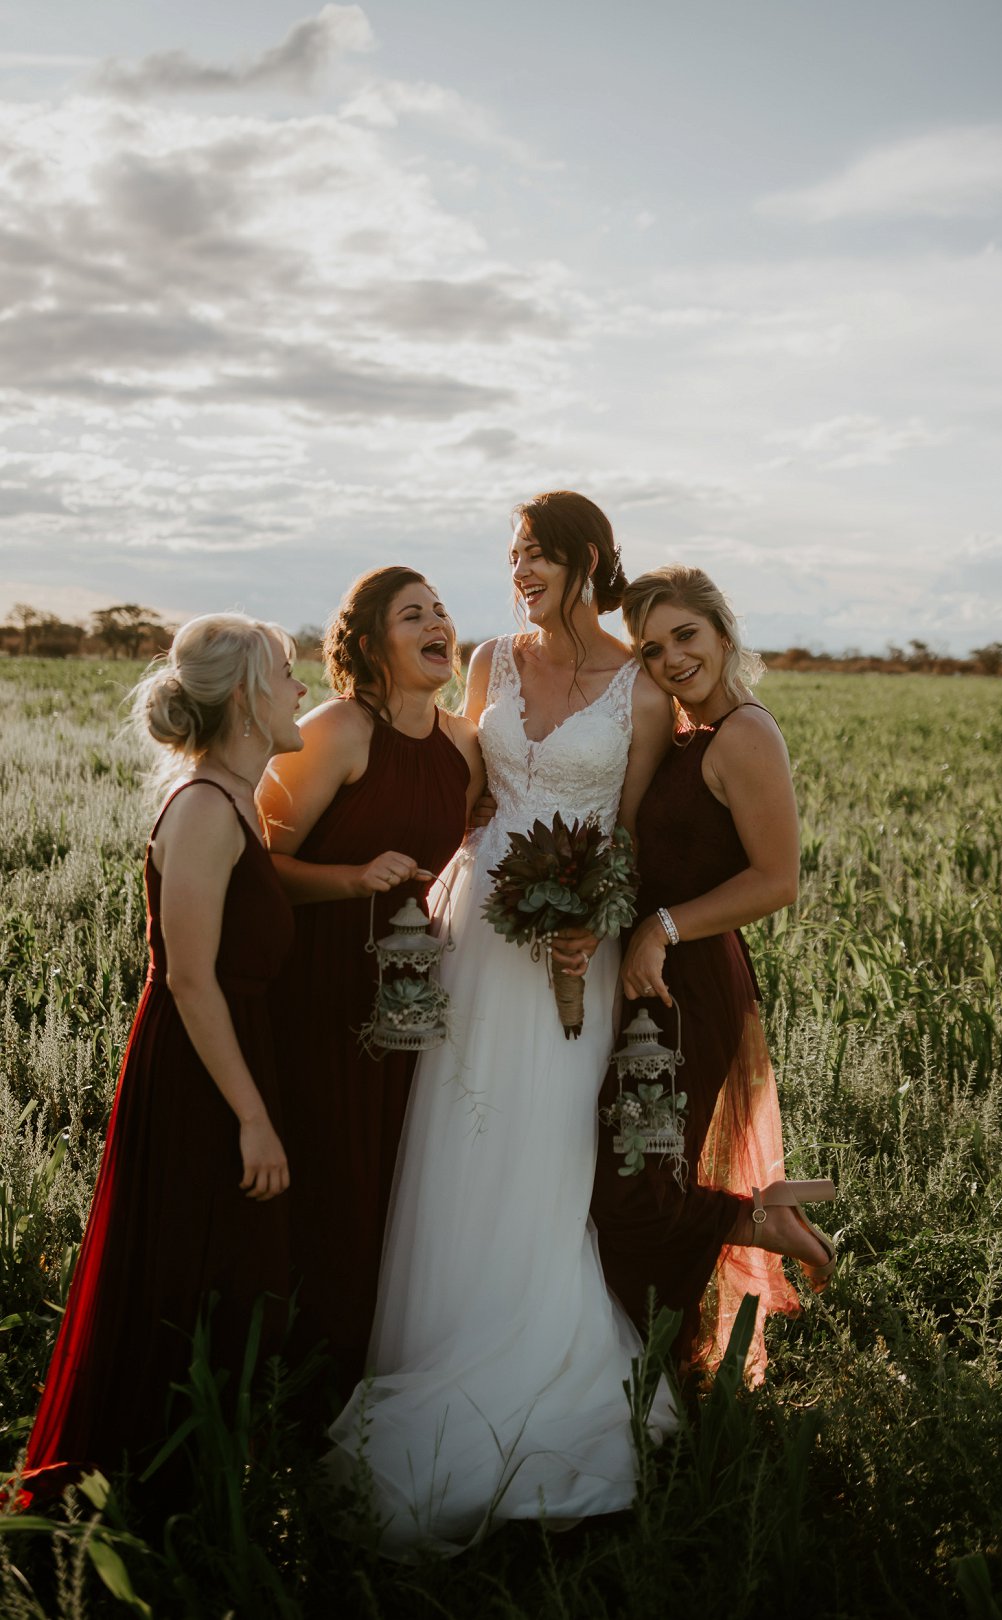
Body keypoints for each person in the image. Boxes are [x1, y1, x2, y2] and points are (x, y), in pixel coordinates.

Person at [326, 491, 676, 1557]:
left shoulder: (642, 692)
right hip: (479, 926)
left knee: (547, 1147)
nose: (519, 571)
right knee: (459, 1133)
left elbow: (627, 842)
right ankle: (440, 1338)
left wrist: (597, 925)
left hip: (577, 947)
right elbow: (463, 792)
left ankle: (543, 1352)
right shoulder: (488, 664)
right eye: (513, 555)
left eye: (538, 556)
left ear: (588, 560)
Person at [17, 614, 306, 1503]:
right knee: (180, 1271)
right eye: (290, 674)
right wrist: (251, 1116)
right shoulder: (203, 811)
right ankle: (133, 1496)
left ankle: (194, 1488)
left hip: (227, 1056)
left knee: (222, 1272)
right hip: (195, 1074)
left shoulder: (239, 802)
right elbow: (187, 978)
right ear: (251, 698)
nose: (304, 691)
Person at [590, 565, 836, 1381]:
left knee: (635, 1186)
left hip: (688, 985)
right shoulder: (685, 735)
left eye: (685, 635)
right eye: (652, 648)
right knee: (633, 1168)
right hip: (651, 979)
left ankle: (752, 1241)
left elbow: (777, 878)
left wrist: (661, 927)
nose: (671, 658)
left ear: (723, 633)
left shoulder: (745, 734)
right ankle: (632, 1361)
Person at [257, 567, 483, 1410]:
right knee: (327, 1167)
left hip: (413, 991)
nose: (437, 623)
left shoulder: (464, 745)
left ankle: (366, 1364)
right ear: (370, 642)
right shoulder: (337, 729)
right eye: (412, 613)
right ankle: (298, 1376)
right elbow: (259, 867)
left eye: (441, 611)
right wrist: (352, 877)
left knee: (390, 1174)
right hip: (320, 985)